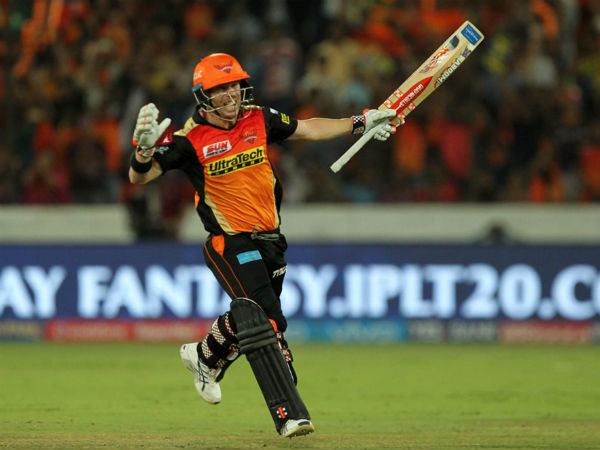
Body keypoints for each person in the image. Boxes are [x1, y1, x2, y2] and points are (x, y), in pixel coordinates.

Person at [129, 53, 399, 438]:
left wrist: (361, 121)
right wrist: (142, 153)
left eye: (235, 86)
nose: (231, 95)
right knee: (268, 321)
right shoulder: (189, 140)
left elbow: (308, 129)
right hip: (228, 242)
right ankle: (289, 414)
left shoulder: (259, 117)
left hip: (271, 240)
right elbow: (140, 177)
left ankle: (204, 356)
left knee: (248, 318)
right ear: (203, 96)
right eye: (220, 89)